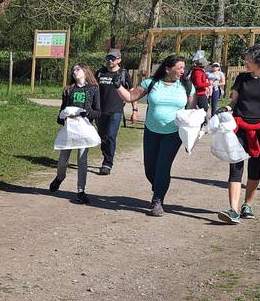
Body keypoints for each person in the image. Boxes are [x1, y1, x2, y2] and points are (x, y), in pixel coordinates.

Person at [116, 55, 197, 216]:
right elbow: (130, 96)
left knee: (163, 167)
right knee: (150, 169)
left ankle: (157, 200)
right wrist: (117, 85)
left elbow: (191, 114)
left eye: (183, 67)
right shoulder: (151, 83)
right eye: (179, 68)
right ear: (167, 68)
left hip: (173, 134)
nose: (183, 70)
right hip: (151, 131)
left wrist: (191, 137)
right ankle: (160, 186)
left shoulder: (187, 86)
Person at [218, 43, 260, 223]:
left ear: (259, 61)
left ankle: (247, 204)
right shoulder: (241, 78)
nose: (246, 62)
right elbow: (233, 102)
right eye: (246, 59)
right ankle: (232, 209)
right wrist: (224, 108)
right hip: (240, 127)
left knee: (255, 168)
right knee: (235, 165)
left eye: (249, 59)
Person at [50, 63, 100, 204]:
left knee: (82, 160)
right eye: (73, 70)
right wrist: (63, 117)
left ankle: (81, 191)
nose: (74, 72)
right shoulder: (68, 89)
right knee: (62, 160)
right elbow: (62, 109)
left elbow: (98, 111)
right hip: (70, 128)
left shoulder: (93, 89)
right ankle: (60, 177)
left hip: (84, 128)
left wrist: (87, 113)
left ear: (85, 71)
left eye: (77, 69)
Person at [95, 49, 130, 174]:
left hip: (116, 110)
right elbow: (93, 89)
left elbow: (131, 91)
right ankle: (106, 155)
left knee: (110, 135)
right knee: (103, 137)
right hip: (100, 110)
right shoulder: (100, 73)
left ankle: (107, 163)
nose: (110, 61)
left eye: (113, 58)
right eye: (108, 58)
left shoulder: (123, 73)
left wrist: (135, 110)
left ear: (119, 60)